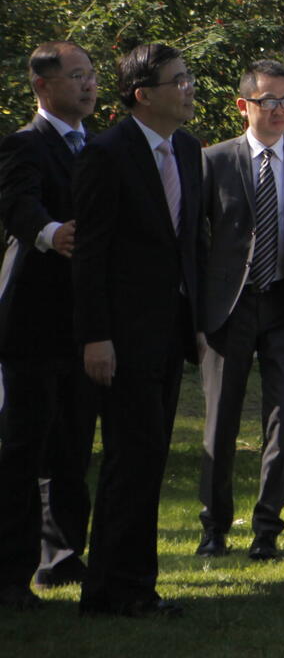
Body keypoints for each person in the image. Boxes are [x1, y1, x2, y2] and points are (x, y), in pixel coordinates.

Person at [72, 43, 204, 617]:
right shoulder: (107, 153)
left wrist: (195, 322)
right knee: (130, 459)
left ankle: (131, 586)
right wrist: (95, 336)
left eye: (189, 78)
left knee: (149, 458)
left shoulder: (189, 151)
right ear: (142, 94)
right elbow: (91, 254)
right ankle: (113, 590)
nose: (189, 88)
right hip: (121, 337)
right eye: (178, 80)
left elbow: (188, 248)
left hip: (169, 334)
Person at [195, 59, 284, 562]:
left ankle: (267, 528)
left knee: (283, 419)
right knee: (219, 421)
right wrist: (198, 314)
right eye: (269, 101)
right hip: (228, 309)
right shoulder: (214, 162)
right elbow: (196, 241)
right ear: (243, 106)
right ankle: (214, 527)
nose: (279, 111)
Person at [0, 42, 99, 606]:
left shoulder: (99, 148)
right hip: (33, 321)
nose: (88, 86)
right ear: (44, 86)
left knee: (72, 446)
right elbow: (16, 204)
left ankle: (61, 559)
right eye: (77, 76)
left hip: (85, 321)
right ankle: (9, 574)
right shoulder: (25, 145)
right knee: (24, 448)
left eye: (91, 76)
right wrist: (50, 232)